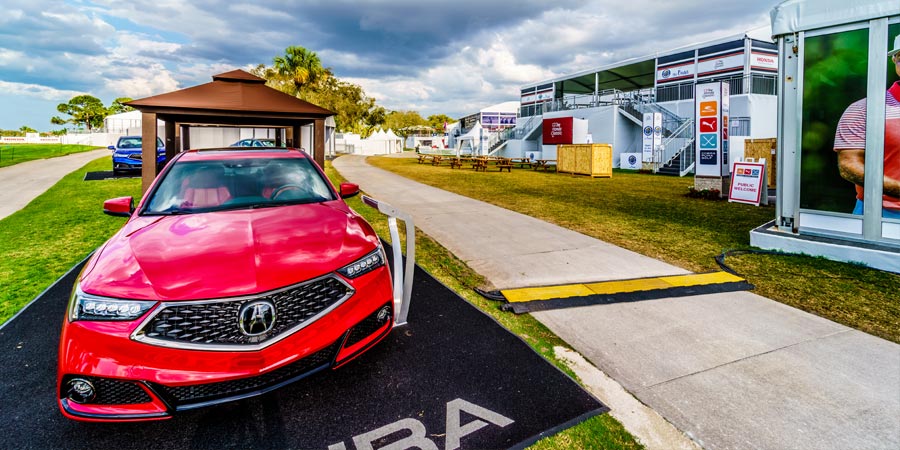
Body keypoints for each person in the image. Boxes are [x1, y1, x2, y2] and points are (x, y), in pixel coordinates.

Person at [833, 34, 900, 219]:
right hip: (881, 215)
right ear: (894, 61)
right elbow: (849, 165)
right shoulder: (864, 109)